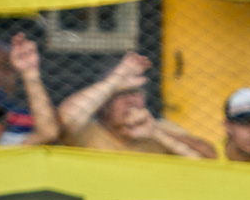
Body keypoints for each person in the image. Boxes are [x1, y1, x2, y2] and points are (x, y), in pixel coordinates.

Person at [56, 52, 215, 158]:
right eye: (120, 94)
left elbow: (210, 156)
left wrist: (156, 133)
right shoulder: (86, 131)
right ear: (102, 103)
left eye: (136, 92)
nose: (130, 100)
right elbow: (66, 118)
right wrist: (115, 80)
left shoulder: (161, 127)